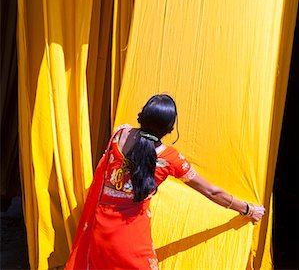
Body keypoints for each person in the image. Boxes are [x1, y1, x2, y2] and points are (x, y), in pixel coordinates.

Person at [65, 94, 265, 270]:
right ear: (170, 128)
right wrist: (247, 209)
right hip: (131, 236)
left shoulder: (119, 135)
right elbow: (212, 192)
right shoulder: (172, 159)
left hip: (99, 230)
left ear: (142, 115)